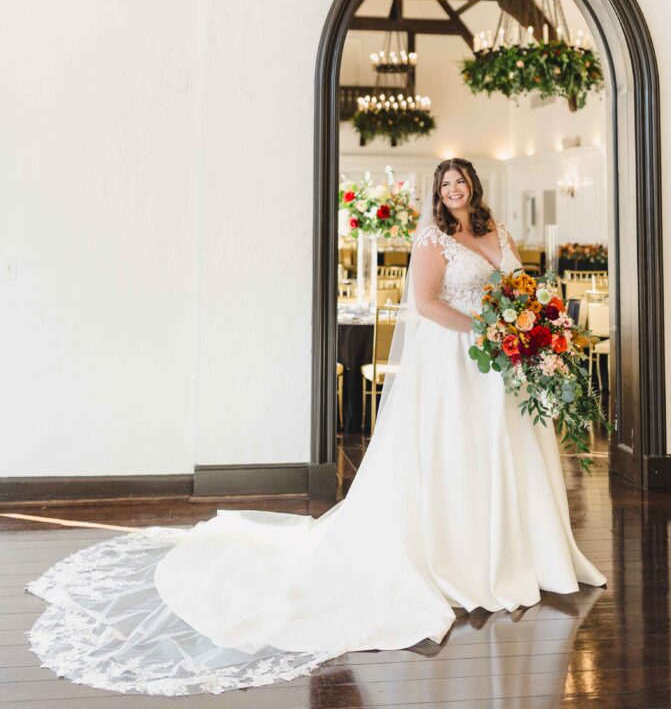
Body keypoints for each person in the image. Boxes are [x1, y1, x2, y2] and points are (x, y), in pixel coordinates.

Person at [27, 157, 606, 696]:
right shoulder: (433, 238)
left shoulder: (497, 231)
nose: (454, 191)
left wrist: (527, 321)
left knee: (503, 456)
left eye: (461, 182)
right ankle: (468, 560)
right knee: (458, 457)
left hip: (500, 366)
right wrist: (484, 330)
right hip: (458, 364)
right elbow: (426, 305)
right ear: (438, 193)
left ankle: (524, 552)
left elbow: (517, 286)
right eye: (445, 184)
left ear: (474, 186)